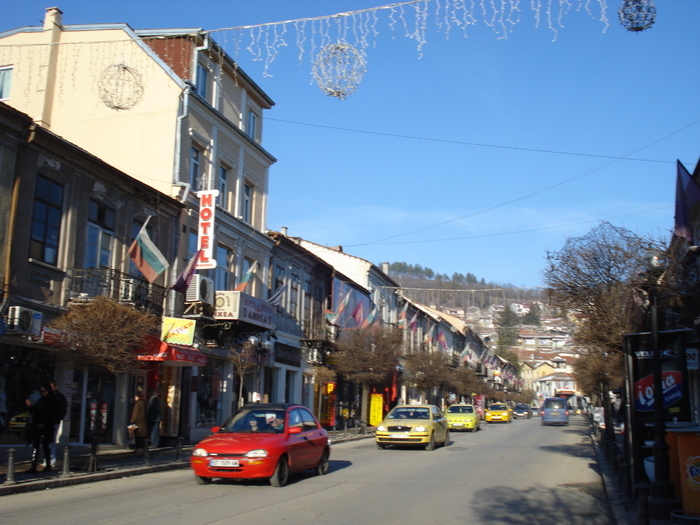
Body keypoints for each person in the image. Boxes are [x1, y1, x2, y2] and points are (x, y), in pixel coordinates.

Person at [26, 382, 58, 472]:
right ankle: (33, 466)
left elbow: (52, 414)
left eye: (44, 391)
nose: (42, 393)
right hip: (37, 425)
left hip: (47, 426)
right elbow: (36, 410)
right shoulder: (41, 400)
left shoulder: (52, 401)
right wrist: (30, 406)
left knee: (45, 446)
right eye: (41, 391)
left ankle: (48, 465)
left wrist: (44, 423)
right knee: (36, 445)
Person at [49, 379, 67, 467]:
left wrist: (57, 420)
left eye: (52, 387)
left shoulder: (60, 397)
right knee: (46, 441)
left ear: (55, 387)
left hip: (54, 422)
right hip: (45, 421)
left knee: (52, 440)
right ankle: (46, 459)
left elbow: (63, 410)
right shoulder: (47, 396)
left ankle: (52, 460)